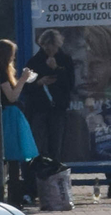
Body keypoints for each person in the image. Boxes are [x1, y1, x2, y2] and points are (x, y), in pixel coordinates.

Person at [22, 28, 77, 160]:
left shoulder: (65, 60)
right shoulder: (35, 61)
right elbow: (25, 87)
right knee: (39, 143)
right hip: (38, 108)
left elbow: (70, 84)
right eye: (46, 48)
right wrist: (39, 83)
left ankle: (55, 170)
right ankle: (40, 172)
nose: (49, 51)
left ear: (58, 45)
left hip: (58, 108)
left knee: (56, 144)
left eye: (52, 47)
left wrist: (57, 69)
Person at [0, 39, 41, 203]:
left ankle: (15, 193)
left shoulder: (3, 72)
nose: (13, 59)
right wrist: (23, 79)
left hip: (10, 114)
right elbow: (12, 96)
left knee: (13, 157)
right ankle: (14, 196)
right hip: (9, 115)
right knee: (13, 155)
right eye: (12, 55)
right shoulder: (2, 73)